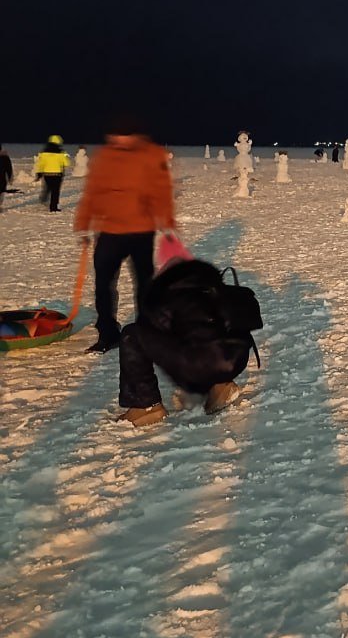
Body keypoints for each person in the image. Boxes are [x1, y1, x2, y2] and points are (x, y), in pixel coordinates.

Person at [117, 235, 255, 427]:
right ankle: (222, 385)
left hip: (200, 363)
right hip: (234, 358)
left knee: (133, 335)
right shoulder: (212, 287)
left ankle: (145, 405)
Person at [73, 115, 176, 353]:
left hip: (141, 231)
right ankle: (108, 333)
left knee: (144, 284)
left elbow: (162, 191)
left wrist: (167, 222)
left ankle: (145, 329)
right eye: (115, 136)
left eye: (124, 136)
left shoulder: (151, 156)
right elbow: (92, 192)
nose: (119, 140)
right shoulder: (105, 157)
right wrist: (83, 224)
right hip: (109, 231)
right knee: (103, 286)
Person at [34, 135, 72, 212]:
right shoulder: (61, 153)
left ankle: (44, 197)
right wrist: (65, 155)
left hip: (47, 174)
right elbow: (67, 163)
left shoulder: (44, 153)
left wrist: (39, 173)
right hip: (57, 175)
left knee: (48, 187)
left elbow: (40, 164)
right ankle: (53, 207)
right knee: (55, 191)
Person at [0, 143, 12, 212]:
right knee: (1, 192)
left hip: (2, 179)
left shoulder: (5, 157)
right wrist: (10, 177)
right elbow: (9, 168)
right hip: (2, 179)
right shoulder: (5, 157)